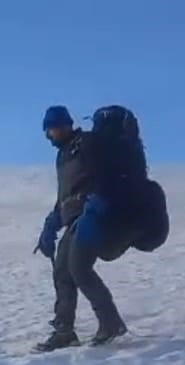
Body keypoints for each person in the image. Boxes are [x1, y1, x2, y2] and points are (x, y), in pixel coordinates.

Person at [34, 105, 130, 351]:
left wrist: (97, 205)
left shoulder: (87, 144)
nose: (49, 135)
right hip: (75, 219)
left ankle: (111, 323)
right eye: (48, 130)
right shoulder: (64, 155)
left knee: (78, 268)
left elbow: (105, 177)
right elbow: (65, 197)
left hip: (93, 216)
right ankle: (65, 331)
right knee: (63, 272)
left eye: (53, 129)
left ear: (65, 125)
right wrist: (50, 225)